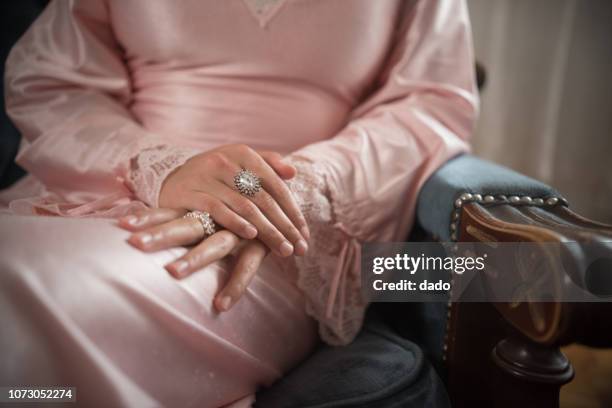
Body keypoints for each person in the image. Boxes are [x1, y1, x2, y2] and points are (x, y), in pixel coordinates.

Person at [0, 0, 478, 406]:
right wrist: (159, 167)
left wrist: (287, 193)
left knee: (46, 286)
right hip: (111, 189)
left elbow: (430, 103)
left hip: (279, 242)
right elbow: (53, 82)